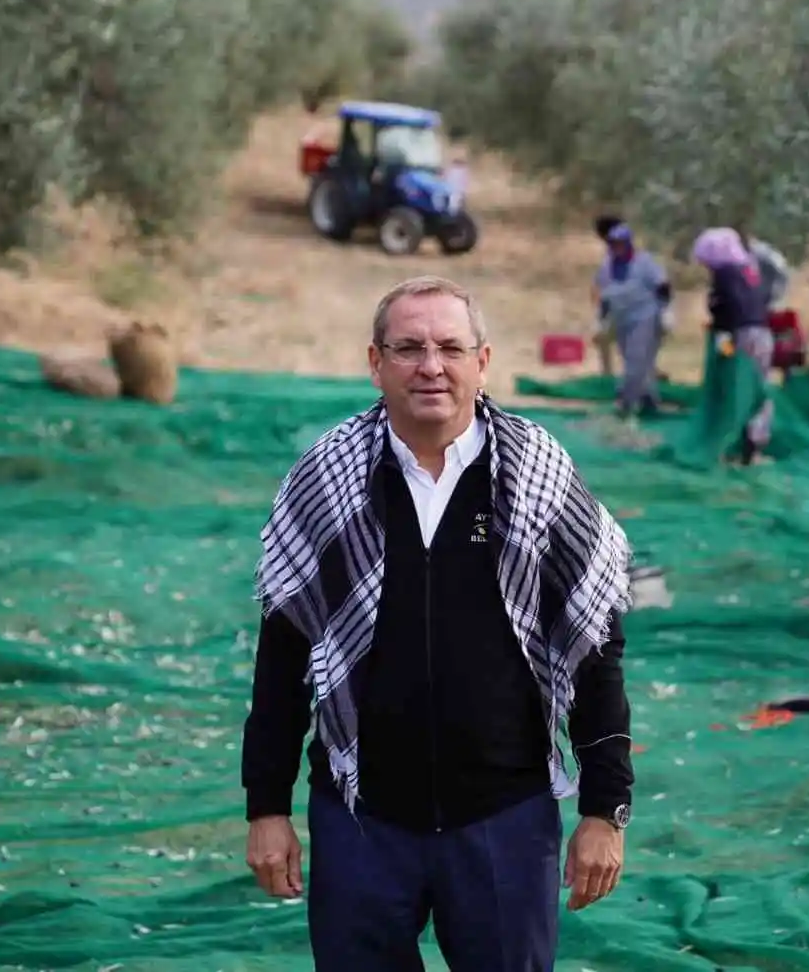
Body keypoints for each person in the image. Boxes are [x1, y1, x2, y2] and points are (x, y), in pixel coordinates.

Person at [241, 275, 637, 972]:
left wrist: (605, 809)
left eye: (451, 348)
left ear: (482, 362)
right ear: (375, 361)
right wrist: (265, 806)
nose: (431, 366)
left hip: (504, 819)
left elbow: (594, 645)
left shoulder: (535, 472)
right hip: (362, 816)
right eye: (409, 348)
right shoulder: (327, 477)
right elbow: (283, 653)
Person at [691, 226, 776, 463]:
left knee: (738, 388)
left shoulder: (726, 273)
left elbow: (729, 307)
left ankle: (730, 443)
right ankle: (754, 444)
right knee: (758, 386)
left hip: (742, 336)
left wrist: (724, 338)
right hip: (762, 335)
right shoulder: (748, 269)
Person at [591, 219, 672, 418]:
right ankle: (649, 400)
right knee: (632, 360)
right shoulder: (608, 266)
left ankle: (627, 404)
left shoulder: (644, 262)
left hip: (645, 317)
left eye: (620, 243)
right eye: (613, 243)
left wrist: (667, 312)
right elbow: (604, 295)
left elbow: (663, 286)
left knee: (637, 360)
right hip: (622, 319)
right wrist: (600, 320)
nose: (616, 247)